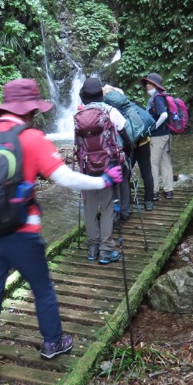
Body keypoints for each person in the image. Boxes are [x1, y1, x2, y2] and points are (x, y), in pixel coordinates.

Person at [0, 78, 123, 385]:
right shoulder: (32, 138)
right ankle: (52, 342)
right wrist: (102, 180)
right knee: (42, 289)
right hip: (23, 235)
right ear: (31, 110)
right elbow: (63, 177)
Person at [73, 77, 129, 264]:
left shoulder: (78, 115)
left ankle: (92, 248)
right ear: (100, 95)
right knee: (106, 207)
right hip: (107, 166)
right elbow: (125, 133)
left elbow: (77, 144)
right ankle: (106, 250)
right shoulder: (110, 111)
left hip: (86, 166)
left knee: (89, 206)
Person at [102, 85, 155, 212]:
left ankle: (128, 205)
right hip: (143, 142)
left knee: (126, 175)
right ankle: (149, 200)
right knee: (146, 171)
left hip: (128, 144)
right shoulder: (128, 105)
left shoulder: (111, 108)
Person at [141, 72, 174, 200]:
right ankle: (168, 190)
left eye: (150, 83)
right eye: (147, 83)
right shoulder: (161, 96)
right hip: (166, 134)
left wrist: (154, 126)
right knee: (165, 162)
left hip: (158, 136)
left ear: (156, 85)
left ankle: (154, 192)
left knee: (153, 163)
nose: (147, 86)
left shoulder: (157, 98)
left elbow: (164, 115)